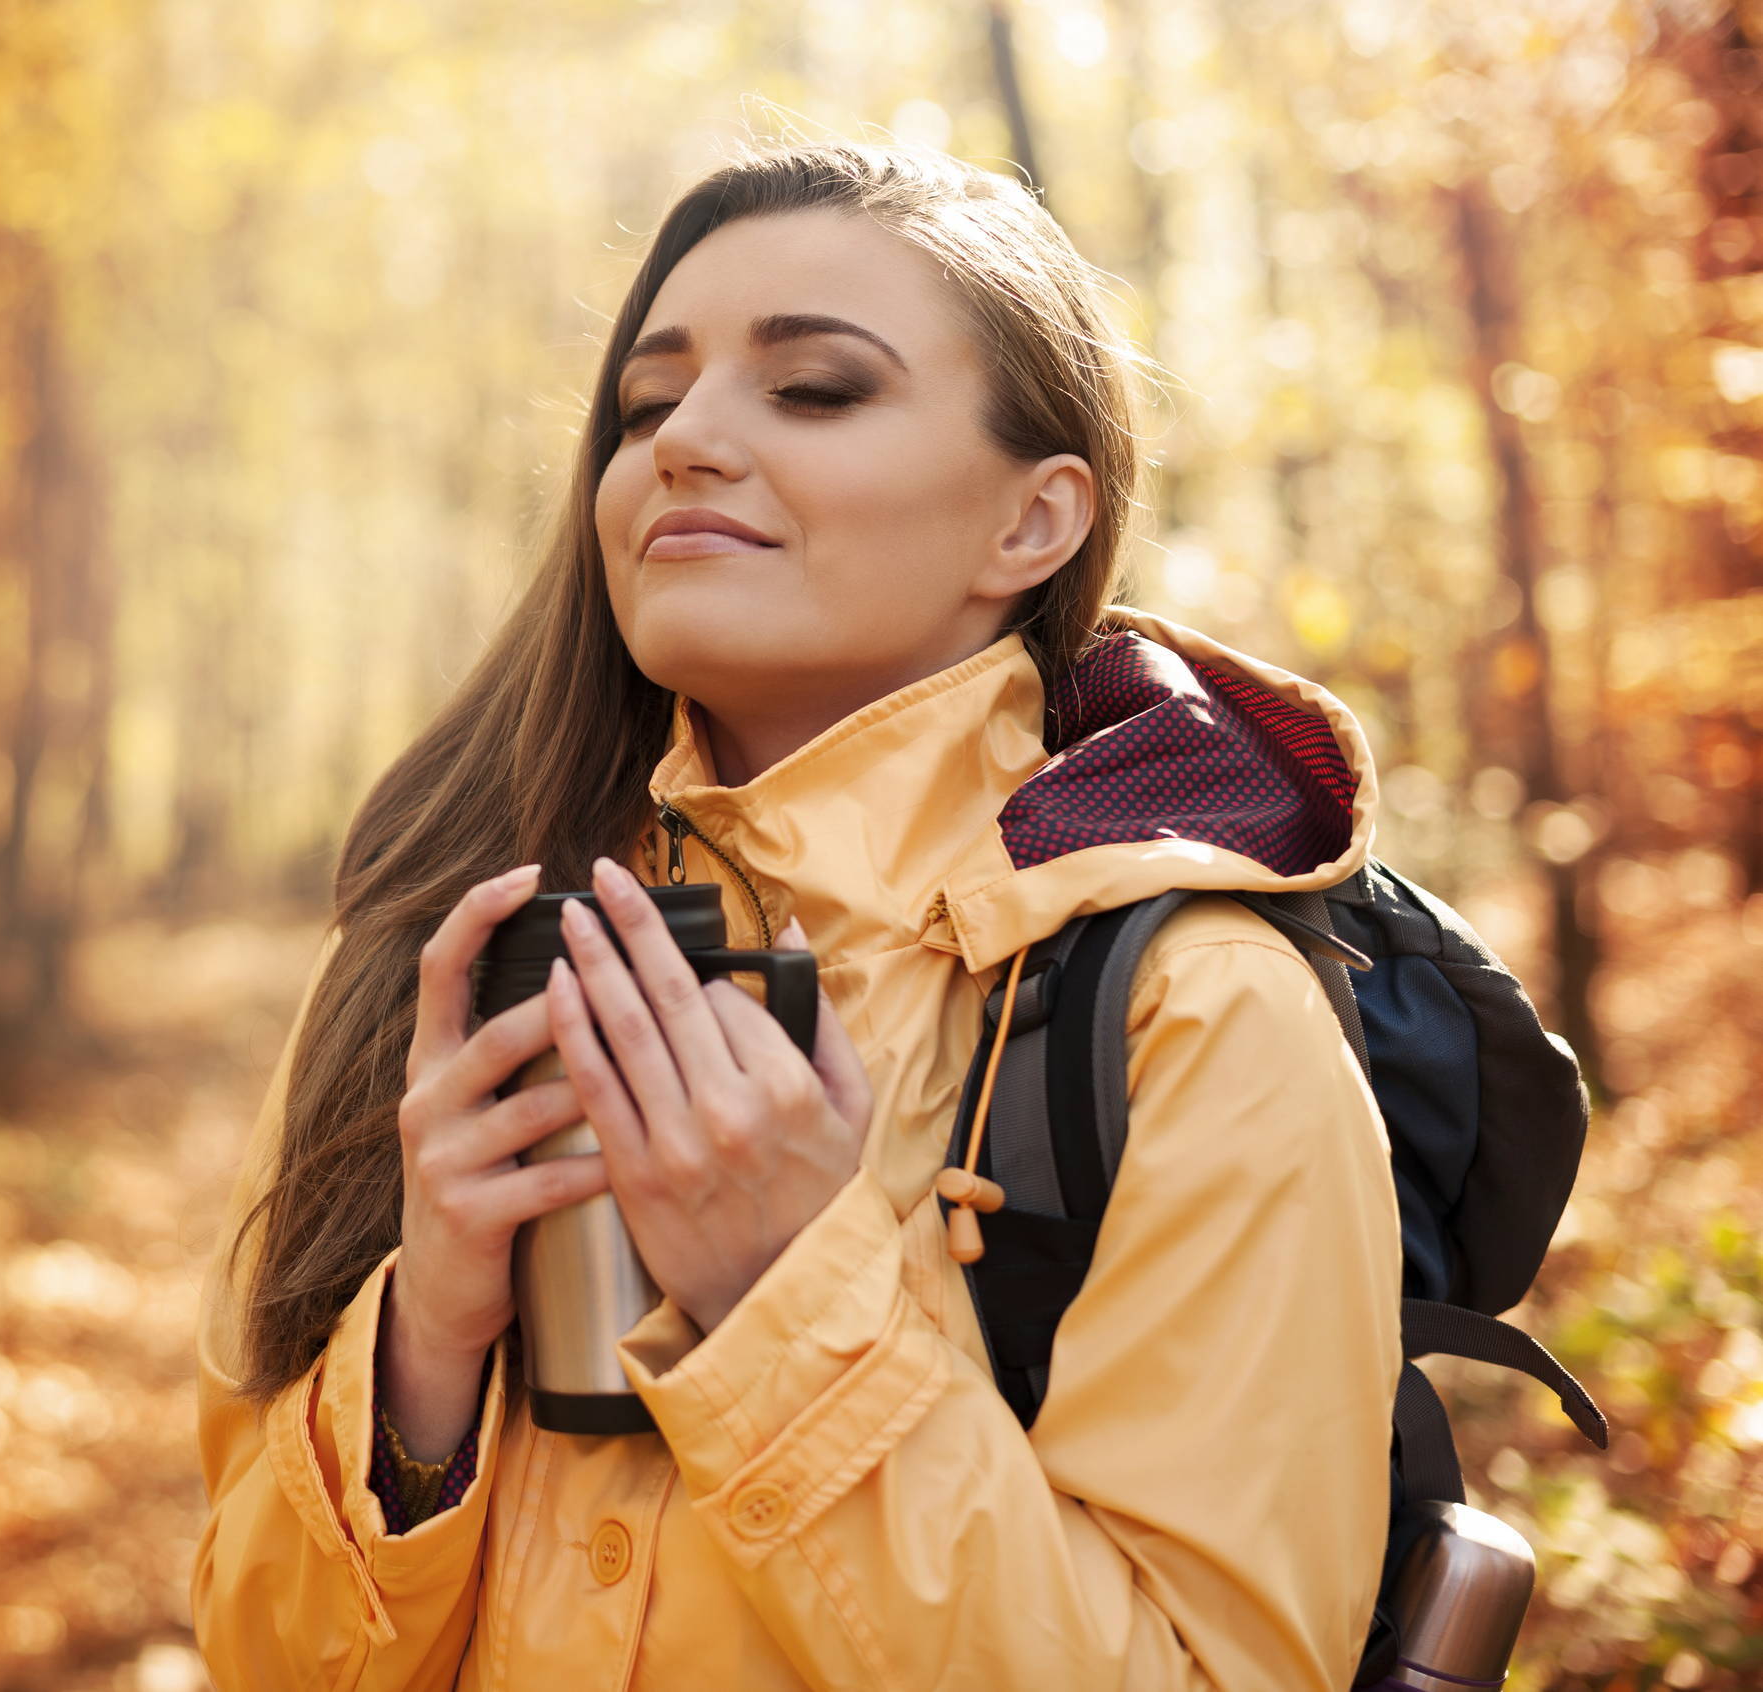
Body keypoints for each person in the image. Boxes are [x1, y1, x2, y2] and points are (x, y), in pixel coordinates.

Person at [192, 140, 1401, 1690]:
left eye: (813, 389)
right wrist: (422, 1350)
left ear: (1030, 525)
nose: (682, 441)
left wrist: (788, 1302)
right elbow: (247, 1646)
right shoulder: (455, 951)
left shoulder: (1196, 1018)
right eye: (646, 403)